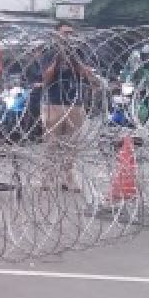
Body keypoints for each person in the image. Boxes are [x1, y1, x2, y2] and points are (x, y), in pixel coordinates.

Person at [40, 21, 97, 190]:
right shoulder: (49, 53)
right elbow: (46, 78)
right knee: (51, 143)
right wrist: (58, 59)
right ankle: (47, 178)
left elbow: (86, 74)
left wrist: (73, 59)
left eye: (71, 33)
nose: (68, 37)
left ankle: (68, 178)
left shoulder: (79, 52)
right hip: (54, 102)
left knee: (72, 145)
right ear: (56, 35)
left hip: (75, 103)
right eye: (65, 33)